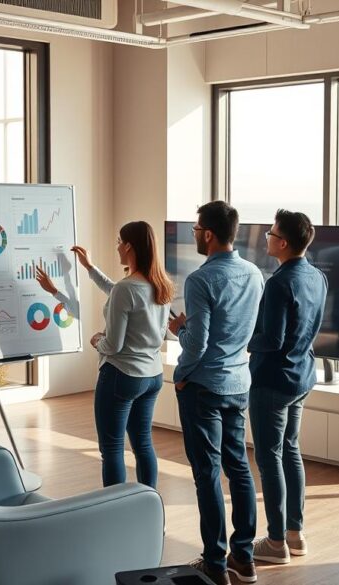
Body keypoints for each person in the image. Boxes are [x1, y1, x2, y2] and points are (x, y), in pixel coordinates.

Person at [35, 221, 173, 488]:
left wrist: (97, 341)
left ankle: (115, 509)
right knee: (143, 444)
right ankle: (151, 506)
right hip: (152, 375)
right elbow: (115, 290)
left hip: (122, 376)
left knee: (112, 449)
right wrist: (89, 268)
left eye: (119, 242)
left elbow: (113, 345)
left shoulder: (127, 289)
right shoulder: (160, 285)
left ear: (129, 246)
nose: (117, 247)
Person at [168, 201, 264, 585]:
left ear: (208, 234)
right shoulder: (254, 273)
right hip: (238, 383)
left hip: (204, 387)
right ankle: (244, 557)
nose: (194, 234)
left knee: (207, 473)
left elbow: (197, 344)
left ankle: (215, 563)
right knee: (239, 468)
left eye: (196, 229)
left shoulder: (200, 280)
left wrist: (181, 369)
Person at [248, 209, 326, 565]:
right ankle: (295, 534)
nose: (267, 237)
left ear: (282, 243)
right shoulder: (317, 277)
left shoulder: (279, 283)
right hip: (302, 376)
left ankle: (276, 541)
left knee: (269, 458)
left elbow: (272, 340)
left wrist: (241, 338)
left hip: (273, 381)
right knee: (290, 451)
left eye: (271, 233)